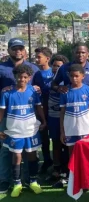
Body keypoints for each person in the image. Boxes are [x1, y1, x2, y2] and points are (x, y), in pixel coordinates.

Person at [0, 65, 46, 197]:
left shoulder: (33, 91)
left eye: (25, 77)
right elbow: (2, 111)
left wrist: (43, 121)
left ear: (29, 78)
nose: (22, 79)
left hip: (31, 129)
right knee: (17, 156)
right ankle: (17, 183)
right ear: (15, 77)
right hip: (14, 130)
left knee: (32, 154)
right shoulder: (7, 93)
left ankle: (33, 181)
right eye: (19, 76)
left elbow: (39, 107)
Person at [59, 64, 89, 156]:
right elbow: (62, 112)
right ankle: (72, 171)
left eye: (77, 76)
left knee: (86, 152)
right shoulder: (65, 92)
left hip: (85, 128)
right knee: (72, 153)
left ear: (83, 76)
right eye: (72, 76)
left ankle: (84, 171)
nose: (74, 78)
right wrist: (62, 131)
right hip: (70, 128)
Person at [46, 55, 69, 188]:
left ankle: (66, 171)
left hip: (67, 115)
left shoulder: (68, 82)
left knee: (66, 144)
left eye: (59, 66)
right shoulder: (51, 82)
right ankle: (56, 169)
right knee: (55, 142)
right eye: (54, 65)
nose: (56, 68)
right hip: (53, 115)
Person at [32, 47, 53, 174]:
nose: (36, 59)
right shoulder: (37, 74)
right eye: (36, 57)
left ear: (47, 59)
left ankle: (59, 163)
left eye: (39, 57)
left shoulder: (54, 72)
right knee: (44, 137)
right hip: (42, 110)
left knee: (56, 138)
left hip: (55, 109)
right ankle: (46, 161)